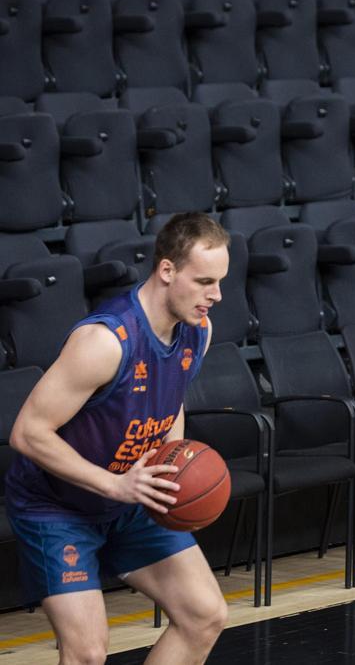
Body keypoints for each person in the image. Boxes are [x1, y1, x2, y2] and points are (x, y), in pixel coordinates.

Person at [6, 212, 231, 664]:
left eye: (220, 281)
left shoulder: (198, 332)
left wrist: (171, 471)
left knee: (204, 615)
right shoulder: (105, 341)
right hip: (58, 506)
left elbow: (170, 402)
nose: (217, 295)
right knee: (87, 653)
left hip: (131, 496)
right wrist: (114, 484)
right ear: (167, 270)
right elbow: (28, 433)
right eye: (205, 281)